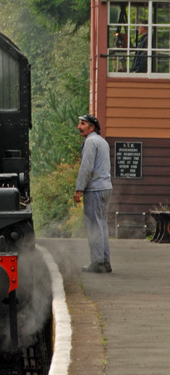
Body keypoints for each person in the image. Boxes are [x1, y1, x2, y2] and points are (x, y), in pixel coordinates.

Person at [73, 114, 112, 273]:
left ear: (91, 127)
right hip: (106, 187)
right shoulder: (102, 142)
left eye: (82, 124)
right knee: (102, 225)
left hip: (95, 188)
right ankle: (105, 261)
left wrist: (79, 189)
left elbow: (86, 167)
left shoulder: (90, 142)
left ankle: (97, 262)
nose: (79, 127)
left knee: (93, 226)